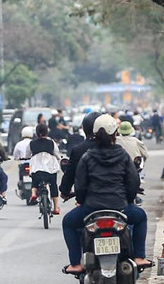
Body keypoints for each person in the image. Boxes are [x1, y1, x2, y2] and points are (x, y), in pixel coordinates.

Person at [61, 114, 150, 274]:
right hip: (120, 207)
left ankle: (75, 264)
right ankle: (139, 256)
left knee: (68, 222)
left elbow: (80, 186)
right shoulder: (122, 155)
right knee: (141, 217)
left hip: (91, 209)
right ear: (114, 134)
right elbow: (133, 182)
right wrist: (127, 201)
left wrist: (82, 200)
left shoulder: (87, 157)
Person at [58, 111, 100, 201]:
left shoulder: (78, 150)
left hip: (88, 202)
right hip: (117, 202)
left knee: (68, 216)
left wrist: (65, 190)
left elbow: (70, 174)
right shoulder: (117, 149)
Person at [28, 123, 63, 214]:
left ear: (36, 133)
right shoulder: (51, 142)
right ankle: (56, 208)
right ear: (47, 132)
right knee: (53, 186)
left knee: (34, 182)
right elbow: (57, 154)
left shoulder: (32, 143)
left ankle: (33, 194)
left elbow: (26, 154)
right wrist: (59, 157)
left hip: (37, 168)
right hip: (50, 169)